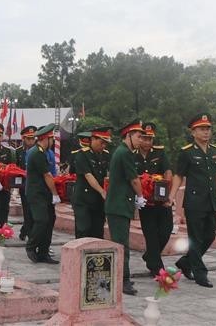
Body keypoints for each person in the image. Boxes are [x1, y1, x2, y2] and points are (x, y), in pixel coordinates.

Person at [167, 113, 216, 288]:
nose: (206, 132)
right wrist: (172, 195)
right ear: (193, 132)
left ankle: (185, 262)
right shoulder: (187, 152)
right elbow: (178, 175)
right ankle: (200, 274)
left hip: (211, 201)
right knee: (196, 238)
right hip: (194, 202)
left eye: (208, 129)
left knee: (209, 236)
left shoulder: (215, 151)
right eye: (202, 129)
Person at [105, 119, 147, 296]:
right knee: (122, 245)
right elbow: (134, 179)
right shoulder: (125, 153)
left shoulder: (122, 152)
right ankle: (122, 280)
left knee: (121, 243)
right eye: (138, 136)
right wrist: (140, 196)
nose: (141, 140)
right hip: (119, 205)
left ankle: (121, 276)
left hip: (119, 204)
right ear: (128, 136)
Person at [135, 122, 173, 276]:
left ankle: (150, 255)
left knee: (166, 230)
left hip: (161, 200)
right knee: (150, 233)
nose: (147, 142)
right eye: (144, 138)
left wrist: (167, 191)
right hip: (145, 202)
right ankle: (157, 267)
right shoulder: (132, 154)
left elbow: (168, 171)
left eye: (150, 139)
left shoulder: (160, 153)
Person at [25, 123, 60, 264]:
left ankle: (44, 252)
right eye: (52, 139)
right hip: (37, 193)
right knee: (42, 220)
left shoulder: (42, 152)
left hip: (44, 193)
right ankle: (31, 246)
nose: (53, 142)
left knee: (50, 220)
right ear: (47, 139)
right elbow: (47, 175)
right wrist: (55, 193)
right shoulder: (37, 153)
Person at [72, 126, 111, 239]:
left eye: (105, 143)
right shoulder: (82, 155)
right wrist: (102, 191)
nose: (103, 146)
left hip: (98, 200)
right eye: (101, 142)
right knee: (83, 229)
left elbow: (109, 173)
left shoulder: (106, 155)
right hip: (84, 199)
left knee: (98, 231)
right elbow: (88, 175)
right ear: (93, 139)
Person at [0, 122, 15, 225]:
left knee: (5, 207)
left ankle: (3, 227)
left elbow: (11, 168)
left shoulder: (8, 151)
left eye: (0, 135)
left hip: (5, 185)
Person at [16, 125, 37, 240]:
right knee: (27, 210)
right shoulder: (18, 152)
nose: (31, 141)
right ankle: (28, 232)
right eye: (28, 138)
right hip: (24, 185)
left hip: (35, 185)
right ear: (23, 139)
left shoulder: (38, 151)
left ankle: (25, 230)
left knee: (33, 211)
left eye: (33, 138)